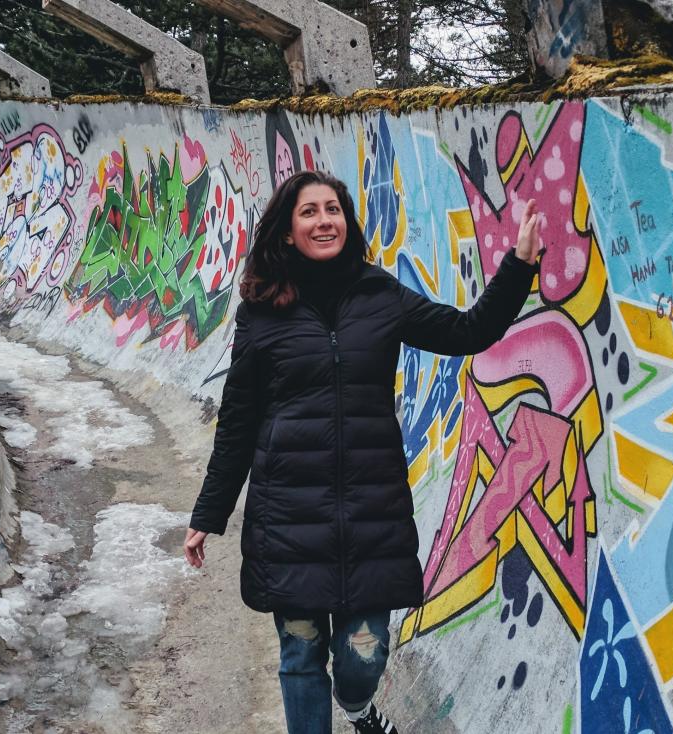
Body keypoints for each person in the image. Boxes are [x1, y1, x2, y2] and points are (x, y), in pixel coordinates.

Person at [184, 170, 540, 734]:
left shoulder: (381, 295)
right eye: (309, 212)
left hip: (372, 516)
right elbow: (238, 419)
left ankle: (357, 706)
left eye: (333, 210)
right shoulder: (262, 310)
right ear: (286, 230)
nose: (324, 221)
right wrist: (209, 513)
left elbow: (469, 332)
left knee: (362, 657)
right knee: (300, 658)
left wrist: (520, 265)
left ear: (347, 222)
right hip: (290, 520)